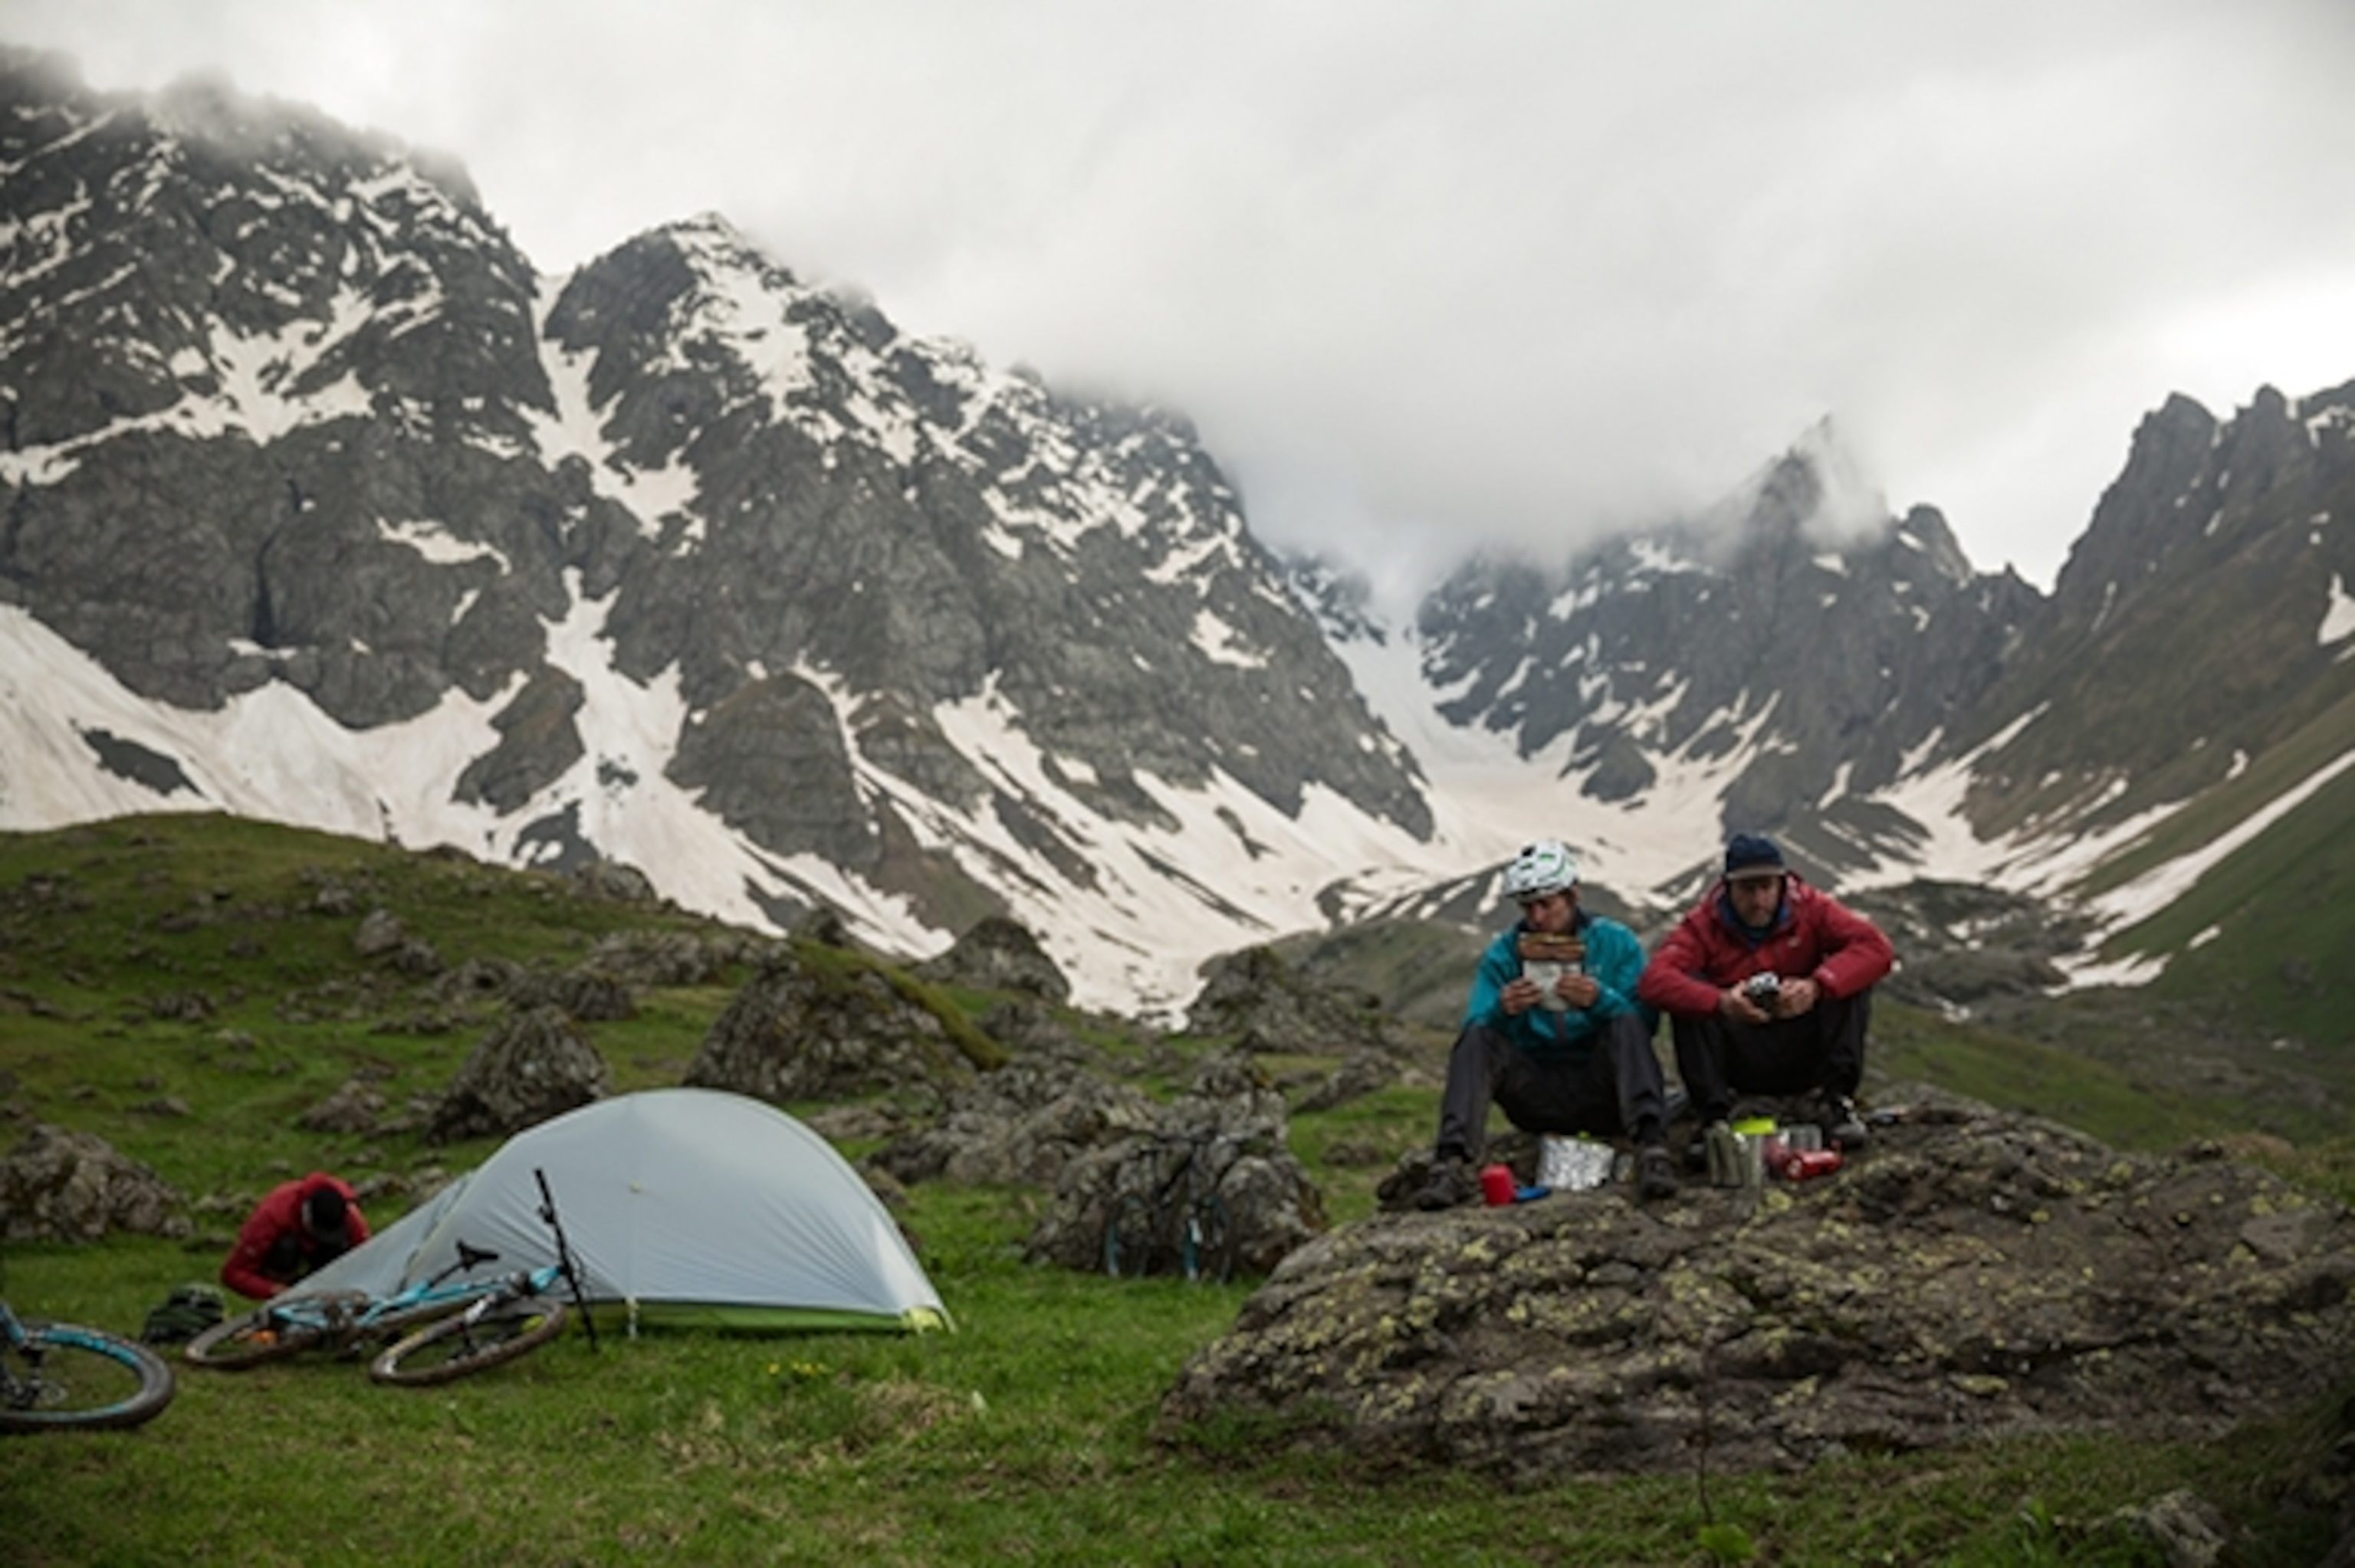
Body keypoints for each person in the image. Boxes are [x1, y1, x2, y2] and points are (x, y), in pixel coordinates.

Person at [1411, 839, 1678, 1209]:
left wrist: (1601, 1001)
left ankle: (1652, 1150)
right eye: (1527, 907)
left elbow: (1645, 1024)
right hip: (1536, 1093)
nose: (1536, 917)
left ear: (1573, 896)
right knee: (1478, 1038)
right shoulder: (1504, 954)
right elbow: (1476, 1025)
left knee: (1624, 1023)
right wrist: (1501, 1010)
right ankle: (1451, 1165)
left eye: (1546, 904)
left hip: (1603, 1090)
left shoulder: (1615, 943)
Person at [1637, 833, 1894, 1150]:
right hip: (1739, 1053)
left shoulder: (1812, 909)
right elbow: (1655, 980)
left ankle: (1836, 1100)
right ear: (1728, 887)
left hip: (1802, 1045)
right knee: (1691, 998)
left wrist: (1816, 987)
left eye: (1766, 887)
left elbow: (1876, 948)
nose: (1758, 899)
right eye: (1747, 889)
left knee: (1848, 983)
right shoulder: (1703, 925)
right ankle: (1713, 1117)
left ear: (1782, 884)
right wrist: (1721, 1002)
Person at [220, 1172, 370, 1301]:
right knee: (285, 1248)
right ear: (305, 1213)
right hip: (287, 1261)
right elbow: (233, 1273)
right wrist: (276, 1291)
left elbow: (367, 1259)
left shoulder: (350, 1215)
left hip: (324, 1258)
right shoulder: (271, 1215)